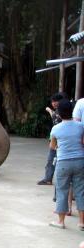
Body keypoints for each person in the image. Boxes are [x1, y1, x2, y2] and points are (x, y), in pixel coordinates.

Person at [48, 99, 84, 229]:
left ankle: (61, 222)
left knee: (62, 191)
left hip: (63, 162)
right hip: (80, 161)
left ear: (59, 113)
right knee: (80, 191)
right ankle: (82, 222)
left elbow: (52, 146)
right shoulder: (81, 126)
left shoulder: (56, 128)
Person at [37, 92, 67, 185]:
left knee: (52, 159)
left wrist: (49, 111)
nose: (53, 103)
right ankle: (49, 178)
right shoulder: (64, 109)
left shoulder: (60, 111)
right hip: (60, 139)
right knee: (53, 159)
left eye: (55, 101)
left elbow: (55, 120)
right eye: (52, 101)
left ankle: (48, 179)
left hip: (58, 140)